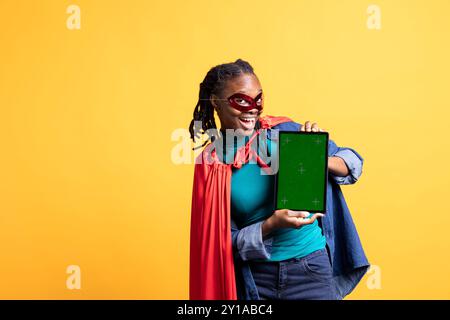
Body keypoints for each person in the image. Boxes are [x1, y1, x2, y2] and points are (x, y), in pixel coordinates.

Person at [188, 58, 370, 300]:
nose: (252, 109)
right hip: (255, 279)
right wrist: (270, 226)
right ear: (215, 102)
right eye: (241, 100)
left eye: (258, 99)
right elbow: (220, 244)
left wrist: (314, 156)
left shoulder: (285, 131)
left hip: (311, 269)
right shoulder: (212, 163)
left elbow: (353, 163)